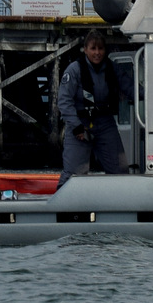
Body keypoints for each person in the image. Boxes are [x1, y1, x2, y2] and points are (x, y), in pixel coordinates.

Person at [56, 31, 134, 189]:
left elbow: (131, 88)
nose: (97, 53)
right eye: (93, 48)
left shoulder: (113, 69)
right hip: (80, 125)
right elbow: (64, 101)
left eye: (100, 49)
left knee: (120, 170)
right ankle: (63, 207)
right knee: (73, 175)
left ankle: (120, 204)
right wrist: (76, 125)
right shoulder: (74, 70)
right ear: (85, 49)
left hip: (105, 123)